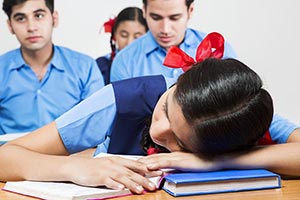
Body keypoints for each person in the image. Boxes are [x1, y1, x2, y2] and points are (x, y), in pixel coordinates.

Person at [1, 54, 300, 195]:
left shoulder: (236, 112)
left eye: (181, 143)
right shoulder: (119, 99)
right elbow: (6, 157)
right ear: (181, 81)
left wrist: (217, 162)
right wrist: (73, 168)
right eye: (167, 109)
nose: (158, 132)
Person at [0, 0, 104, 134]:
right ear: (10, 26)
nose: (31, 27)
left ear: (54, 19)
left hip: (69, 154)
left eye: (38, 16)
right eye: (20, 18)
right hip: (8, 153)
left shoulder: (85, 67)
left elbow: (96, 128)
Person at [110, 0, 237, 82]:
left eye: (174, 18)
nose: (165, 29)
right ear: (144, 11)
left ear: (190, 10)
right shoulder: (124, 61)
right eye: (156, 17)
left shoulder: (218, 48)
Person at [96, 7, 148, 85]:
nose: (129, 43)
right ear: (114, 34)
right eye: (124, 35)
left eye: (137, 37)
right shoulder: (101, 66)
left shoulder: (155, 64)